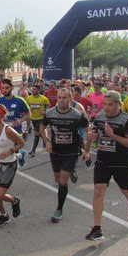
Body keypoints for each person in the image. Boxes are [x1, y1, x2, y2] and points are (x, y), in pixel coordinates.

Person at [86, 91, 128, 241]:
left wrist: (113, 135)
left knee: (125, 190)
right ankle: (97, 228)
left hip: (121, 162)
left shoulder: (126, 120)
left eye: (110, 105)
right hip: (103, 160)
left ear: (118, 104)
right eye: (105, 104)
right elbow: (94, 131)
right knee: (98, 191)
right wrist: (89, 145)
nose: (107, 108)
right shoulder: (101, 116)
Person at [40, 88, 89, 223]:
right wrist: (47, 141)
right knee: (57, 179)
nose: (61, 100)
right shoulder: (50, 113)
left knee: (62, 181)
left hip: (71, 151)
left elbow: (88, 129)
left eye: (64, 98)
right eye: (59, 98)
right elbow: (42, 127)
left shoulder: (77, 115)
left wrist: (87, 149)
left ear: (70, 99)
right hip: (55, 151)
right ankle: (70, 170)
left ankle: (59, 208)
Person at [0, 78, 28, 166]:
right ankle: (20, 156)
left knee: (12, 152)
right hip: (3, 130)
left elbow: (28, 113)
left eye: (7, 88)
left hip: (16, 130)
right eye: (3, 88)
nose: (4, 90)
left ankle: (14, 163)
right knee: (6, 153)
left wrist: (20, 120)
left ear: (12, 88)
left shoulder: (20, 100)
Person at [25, 84, 50, 156]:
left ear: (39, 90)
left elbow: (48, 105)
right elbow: (27, 107)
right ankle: (48, 142)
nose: (33, 91)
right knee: (40, 133)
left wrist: (45, 111)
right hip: (33, 118)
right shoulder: (29, 98)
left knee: (36, 133)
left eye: (35, 89)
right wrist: (29, 110)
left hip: (41, 118)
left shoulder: (43, 98)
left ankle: (33, 150)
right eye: (32, 89)